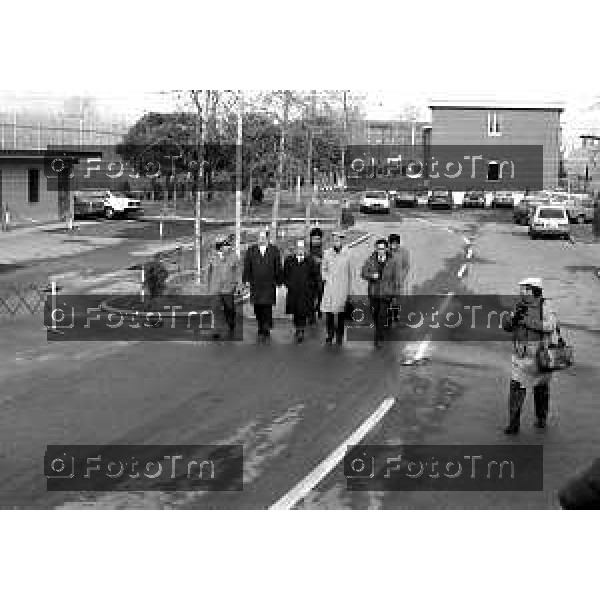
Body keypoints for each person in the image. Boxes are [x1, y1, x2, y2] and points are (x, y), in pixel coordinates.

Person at [501, 277, 560, 434]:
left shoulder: (545, 305)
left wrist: (528, 322)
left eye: (525, 288)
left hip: (541, 355)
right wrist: (511, 320)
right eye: (521, 288)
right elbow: (508, 327)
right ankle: (513, 424)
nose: (521, 291)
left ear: (534, 290)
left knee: (541, 389)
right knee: (516, 388)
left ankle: (541, 418)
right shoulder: (519, 305)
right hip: (521, 355)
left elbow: (551, 325)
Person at [242, 229, 282, 342]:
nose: (261, 239)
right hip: (256, 283)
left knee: (267, 306)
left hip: (269, 283)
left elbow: (278, 266)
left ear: (267, 238)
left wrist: (279, 280)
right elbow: (247, 266)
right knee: (257, 306)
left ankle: (266, 327)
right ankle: (260, 325)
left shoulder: (274, 250)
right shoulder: (251, 250)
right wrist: (246, 279)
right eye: (260, 237)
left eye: (264, 237)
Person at [361, 238, 398, 349]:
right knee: (376, 315)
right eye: (378, 248)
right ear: (376, 249)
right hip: (374, 293)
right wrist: (372, 276)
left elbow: (396, 278)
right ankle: (379, 331)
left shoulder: (392, 261)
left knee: (382, 315)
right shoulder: (370, 260)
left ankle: (378, 338)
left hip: (386, 294)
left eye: (382, 249)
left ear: (386, 248)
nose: (380, 251)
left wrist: (395, 294)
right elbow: (363, 273)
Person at [283, 239, 320, 343]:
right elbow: (285, 275)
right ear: (295, 249)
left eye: (302, 248)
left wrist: (311, 287)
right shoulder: (289, 260)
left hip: (306, 292)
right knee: (295, 311)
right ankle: (297, 328)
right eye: (298, 248)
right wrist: (289, 284)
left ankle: (301, 330)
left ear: (305, 249)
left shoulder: (310, 261)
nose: (300, 250)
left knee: (303, 311)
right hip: (293, 291)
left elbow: (316, 276)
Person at [321, 231, 352, 345]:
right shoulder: (327, 253)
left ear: (342, 241)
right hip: (330, 287)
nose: (336, 242)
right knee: (328, 312)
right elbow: (323, 268)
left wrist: (350, 289)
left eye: (339, 240)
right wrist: (326, 278)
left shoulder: (348, 253)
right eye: (334, 240)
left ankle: (339, 335)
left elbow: (351, 272)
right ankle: (330, 333)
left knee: (341, 313)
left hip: (343, 286)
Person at [209, 235, 240, 338]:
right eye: (226, 245)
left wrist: (238, 285)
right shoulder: (212, 256)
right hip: (215, 288)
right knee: (215, 309)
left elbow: (238, 271)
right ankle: (216, 331)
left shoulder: (233, 256)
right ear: (221, 247)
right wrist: (207, 287)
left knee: (229, 308)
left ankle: (231, 323)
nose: (229, 247)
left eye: (229, 245)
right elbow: (208, 273)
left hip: (228, 288)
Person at [387, 233, 411, 322]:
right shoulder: (385, 251)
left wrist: (402, 277)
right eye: (391, 243)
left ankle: (396, 315)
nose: (393, 245)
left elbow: (406, 266)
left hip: (398, 280)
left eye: (395, 243)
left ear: (398, 243)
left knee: (396, 299)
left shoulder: (404, 252)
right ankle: (389, 316)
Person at [308, 227, 324, 324]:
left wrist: (321, 261)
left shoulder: (325, 250)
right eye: (314, 239)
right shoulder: (307, 249)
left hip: (321, 278)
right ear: (311, 238)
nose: (316, 241)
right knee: (310, 297)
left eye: (318, 239)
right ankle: (311, 315)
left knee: (320, 295)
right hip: (309, 278)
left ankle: (319, 308)